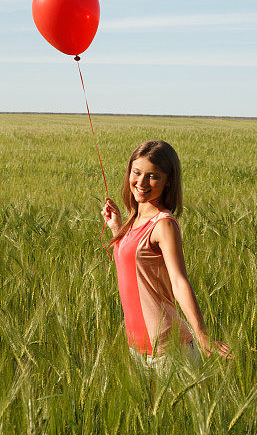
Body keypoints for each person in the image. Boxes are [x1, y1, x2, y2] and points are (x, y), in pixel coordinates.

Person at [101, 140, 232, 371]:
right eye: (136, 172)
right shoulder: (134, 219)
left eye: (153, 176)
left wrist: (202, 335)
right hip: (136, 348)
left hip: (169, 351)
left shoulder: (163, 224)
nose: (141, 183)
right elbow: (130, 270)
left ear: (168, 180)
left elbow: (179, 282)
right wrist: (116, 228)